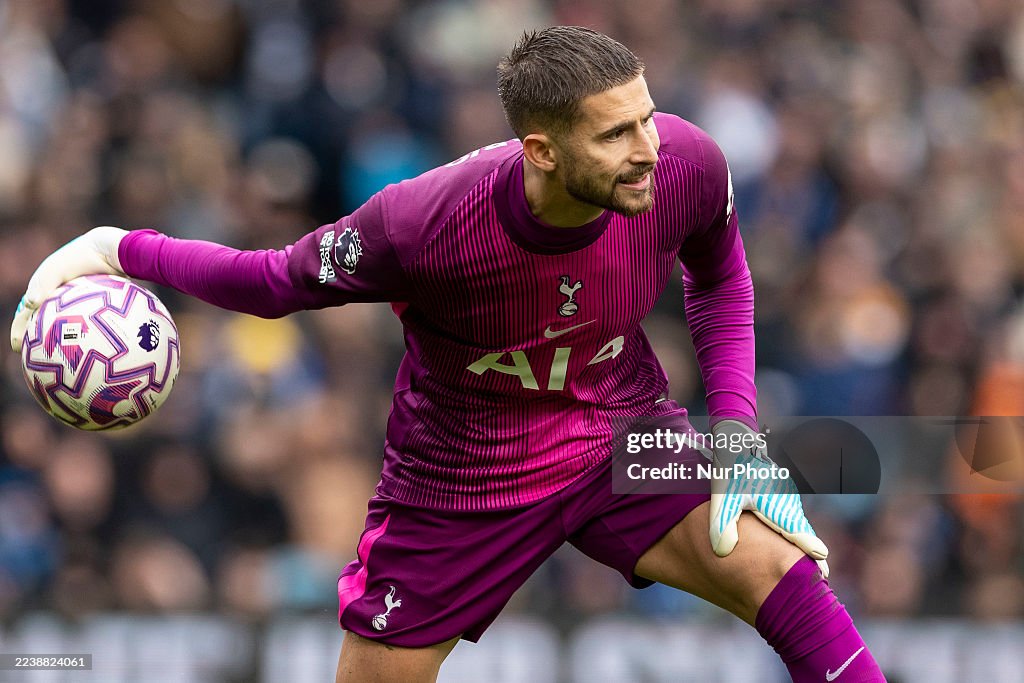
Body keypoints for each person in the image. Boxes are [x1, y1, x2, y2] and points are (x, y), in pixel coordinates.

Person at [11, 26, 885, 683]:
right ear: (540, 149)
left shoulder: (686, 163)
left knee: (779, 565)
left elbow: (721, 278)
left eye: (647, 117)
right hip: (463, 481)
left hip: (620, 435)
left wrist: (733, 431)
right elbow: (273, 281)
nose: (648, 147)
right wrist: (116, 248)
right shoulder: (423, 223)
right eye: (615, 134)